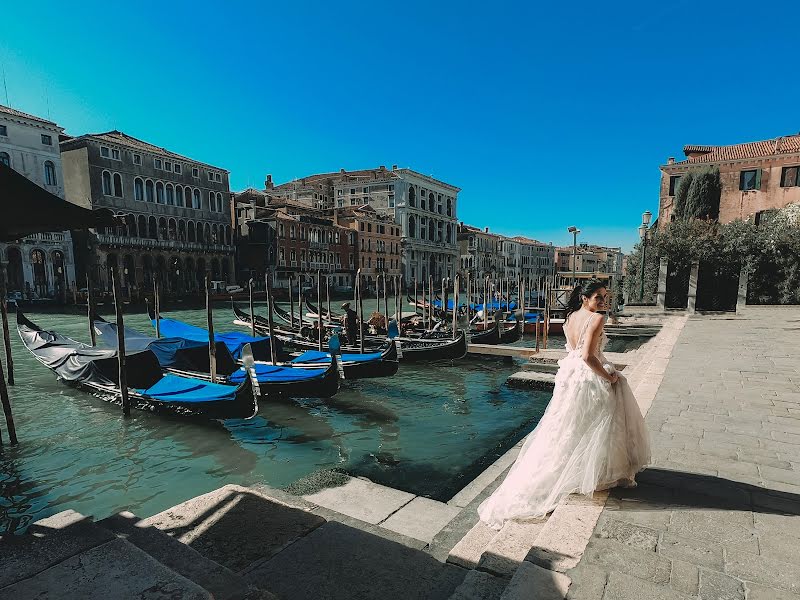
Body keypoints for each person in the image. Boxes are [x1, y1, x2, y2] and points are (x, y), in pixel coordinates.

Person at [478, 279, 650, 530]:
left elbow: (574, 352)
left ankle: (578, 470)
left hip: (570, 376)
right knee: (595, 425)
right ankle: (593, 472)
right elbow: (588, 356)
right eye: (598, 297)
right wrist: (610, 376)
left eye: (605, 297)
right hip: (588, 377)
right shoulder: (597, 319)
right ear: (585, 298)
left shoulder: (570, 318)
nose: (603, 302)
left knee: (569, 427)